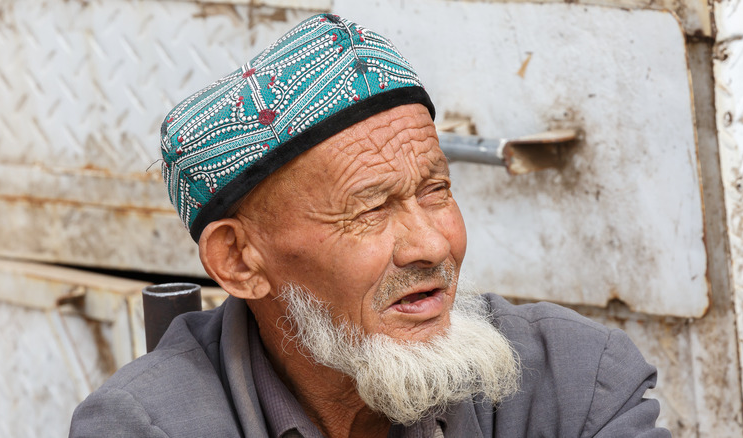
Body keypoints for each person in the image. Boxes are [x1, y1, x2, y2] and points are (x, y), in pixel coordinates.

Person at [70, 14, 670, 437]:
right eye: (370, 209)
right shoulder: (147, 426)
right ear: (239, 260)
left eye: (436, 190)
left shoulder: (571, 378)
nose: (433, 244)